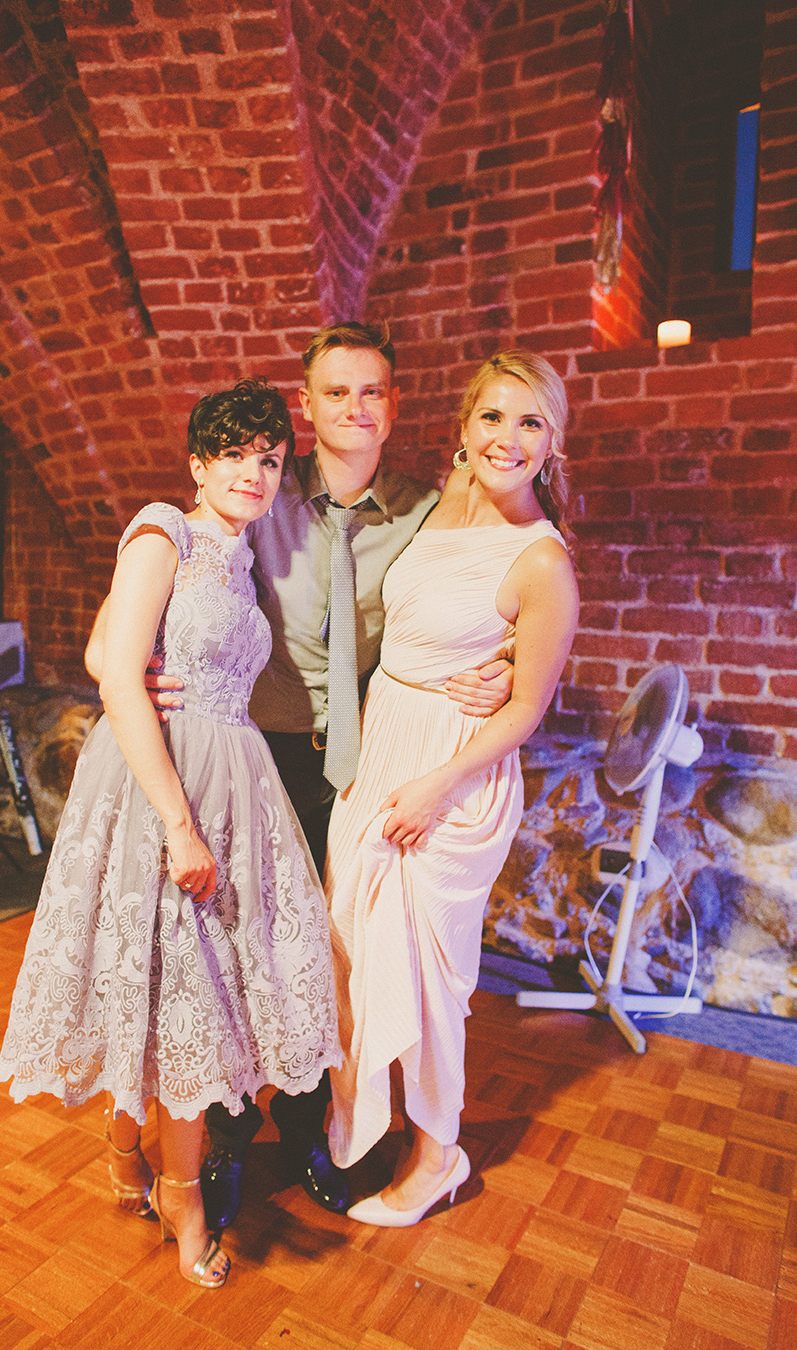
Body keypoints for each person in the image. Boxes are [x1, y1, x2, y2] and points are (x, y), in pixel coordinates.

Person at [85, 323, 514, 1228]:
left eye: (373, 391)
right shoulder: (259, 489)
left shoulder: (432, 509)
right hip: (258, 753)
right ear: (308, 405)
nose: (355, 407)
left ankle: (315, 1128)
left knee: (330, 954)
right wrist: (116, 662)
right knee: (236, 953)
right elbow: (143, 594)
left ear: (393, 405)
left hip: (370, 758)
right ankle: (227, 1139)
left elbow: (494, 587)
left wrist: (512, 661)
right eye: (335, 392)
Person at [0, 380, 340, 1289]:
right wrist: (180, 826)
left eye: (269, 460)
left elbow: (110, 650)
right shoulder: (163, 531)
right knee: (174, 984)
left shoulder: (241, 561)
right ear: (197, 464)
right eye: (233, 454)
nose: (253, 473)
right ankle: (179, 1195)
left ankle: (126, 1156)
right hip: (165, 786)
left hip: (234, 780)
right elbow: (112, 669)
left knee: (181, 987)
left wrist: (127, 668)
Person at [325, 349, 580, 1227]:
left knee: (429, 975)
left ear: (552, 442)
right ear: (464, 428)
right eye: (493, 417)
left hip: (455, 773)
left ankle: (437, 1157)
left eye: (531, 422)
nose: (509, 438)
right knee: (353, 946)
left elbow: (527, 710)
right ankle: (367, 1123)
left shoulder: (542, 562)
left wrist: (437, 786)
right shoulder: (444, 503)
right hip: (383, 748)